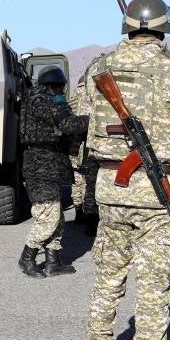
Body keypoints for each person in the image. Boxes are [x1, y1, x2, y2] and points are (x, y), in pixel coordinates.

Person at [85, 0, 170, 340]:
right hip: (161, 193)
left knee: (108, 277)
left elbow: (82, 111)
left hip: (111, 189)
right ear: (165, 26)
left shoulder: (99, 67)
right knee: (154, 285)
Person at [18, 65, 89, 279]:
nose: (61, 92)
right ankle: (27, 258)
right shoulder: (41, 100)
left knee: (56, 217)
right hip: (40, 167)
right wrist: (92, 120)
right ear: (55, 86)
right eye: (60, 88)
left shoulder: (39, 99)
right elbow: (68, 124)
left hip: (48, 165)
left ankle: (53, 262)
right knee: (48, 217)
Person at [68, 68, 99, 231]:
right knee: (90, 181)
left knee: (77, 179)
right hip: (90, 145)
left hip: (75, 145)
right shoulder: (95, 94)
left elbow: (69, 117)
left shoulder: (74, 98)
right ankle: (90, 216)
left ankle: (78, 210)